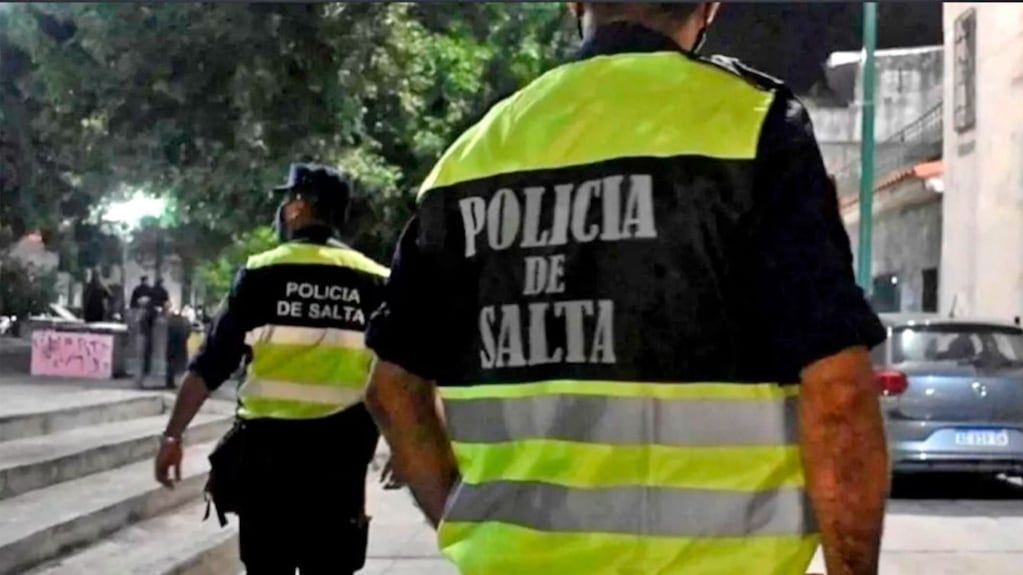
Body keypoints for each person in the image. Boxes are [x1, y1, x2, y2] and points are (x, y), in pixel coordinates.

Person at [364, 4, 889, 575]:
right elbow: (838, 391)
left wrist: (464, 518)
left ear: (575, 3)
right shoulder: (752, 130)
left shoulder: (471, 159)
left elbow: (392, 389)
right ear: (708, 6)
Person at [154, 163, 387, 574]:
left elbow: (210, 365)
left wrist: (173, 435)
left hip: (266, 462)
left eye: (287, 201)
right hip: (340, 464)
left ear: (298, 207)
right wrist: (407, 447)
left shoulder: (262, 273)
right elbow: (400, 373)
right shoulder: (375, 280)